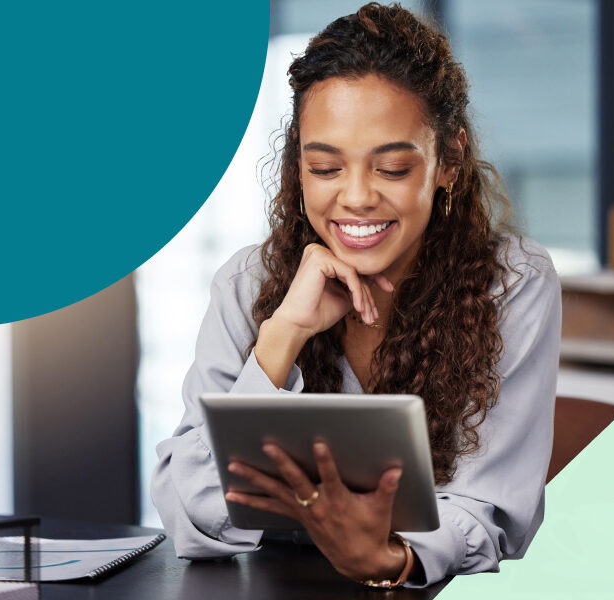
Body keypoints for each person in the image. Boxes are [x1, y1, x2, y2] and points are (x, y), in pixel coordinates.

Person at [151, 2, 561, 589]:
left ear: (450, 161)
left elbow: (491, 509)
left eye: (392, 168)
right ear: (298, 167)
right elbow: (190, 517)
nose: (357, 197)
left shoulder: (513, 283)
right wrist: (282, 337)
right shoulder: (249, 282)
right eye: (324, 167)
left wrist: (389, 560)